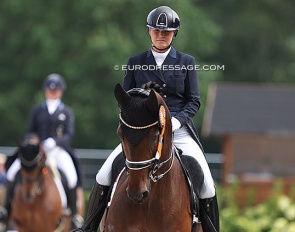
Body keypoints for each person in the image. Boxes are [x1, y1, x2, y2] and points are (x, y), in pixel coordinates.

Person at [83, 6, 219, 232]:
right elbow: (124, 100)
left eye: (166, 32)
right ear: (149, 31)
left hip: (178, 129)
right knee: (103, 173)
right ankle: (87, 227)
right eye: (157, 30)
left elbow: (194, 101)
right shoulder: (135, 62)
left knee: (207, 185)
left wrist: (176, 121)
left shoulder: (186, 61)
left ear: (174, 34)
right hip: (143, 131)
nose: (161, 35)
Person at [0, 74, 84, 229]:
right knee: (12, 172)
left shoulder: (66, 111)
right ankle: (5, 209)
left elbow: (69, 134)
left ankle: (74, 216)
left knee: (71, 176)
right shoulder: (37, 110)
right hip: (37, 151)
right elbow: (29, 131)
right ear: (46, 91)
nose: (52, 92)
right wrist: (32, 140)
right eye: (50, 90)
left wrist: (55, 142)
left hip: (58, 151)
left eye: (55, 90)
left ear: (61, 92)